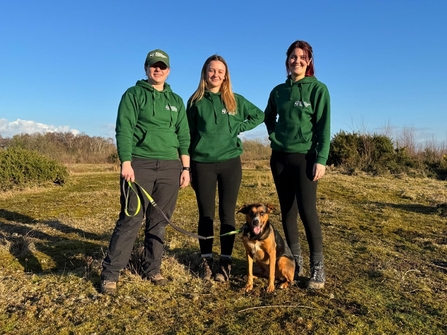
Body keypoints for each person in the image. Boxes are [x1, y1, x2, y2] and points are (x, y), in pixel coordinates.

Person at [100, 49, 191, 294]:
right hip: (140, 164)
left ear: (168, 70)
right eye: (153, 65)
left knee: (159, 221)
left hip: (171, 167)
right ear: (146, 68)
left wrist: (185, 167)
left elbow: (183, 135)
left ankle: (152, 269)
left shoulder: (177, 100)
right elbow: (124, 129)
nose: (158, 69)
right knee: (131, 219)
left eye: (162, 66)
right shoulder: (133, 95)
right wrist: (126, 162)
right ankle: (111, 273)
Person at [187, 55, 264, 282]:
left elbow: (259, 115)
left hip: (230, 163)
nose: (216, 75)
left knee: (227, 214)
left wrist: (239, 125)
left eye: (220, 71)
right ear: (205, 73)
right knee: (206, 214)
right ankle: (206, 260)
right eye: (212, 70)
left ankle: (226, 262)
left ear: (226, 75)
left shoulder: (234, 100)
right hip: (202, 164)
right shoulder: (195, 102)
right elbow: (187, 135)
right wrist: (187, 165)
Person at [264, 40, 331, 289]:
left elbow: (324, 127)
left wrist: (321, 159)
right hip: (279, 158)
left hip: (305, 158)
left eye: (302, 57)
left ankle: (318, 270)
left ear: (309, 61)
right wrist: (274, 135)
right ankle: (295, 264)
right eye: (293, 56)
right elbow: (268, 116)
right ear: (287, 61)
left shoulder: (318, 90)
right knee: (288, 213)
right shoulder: (279, 91)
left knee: (308, 213)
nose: (297, 60)